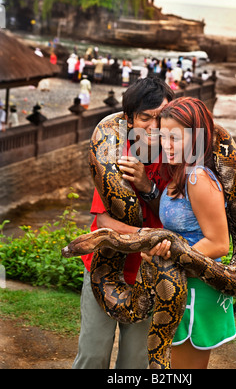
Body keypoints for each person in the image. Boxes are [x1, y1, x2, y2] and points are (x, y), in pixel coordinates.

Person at [72, 77, 175, 370]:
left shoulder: (177, 160)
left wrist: (146, 186)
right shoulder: (115, 155)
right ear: (129, 120)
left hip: (150, 274)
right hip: (104, 267)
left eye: (162, 117)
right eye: (146, 118)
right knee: (92, 355)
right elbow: (104, 219)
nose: (154, 127)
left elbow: (179, 217)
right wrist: (153, 236)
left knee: (135, 362)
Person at [142, 97, 236, 369]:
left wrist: (167, 259)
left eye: (176, 138)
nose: (167, 145)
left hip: (197, 291)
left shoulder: (198, 178)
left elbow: (219, 244)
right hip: (179, 285)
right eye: (164, 137)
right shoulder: (180, 173)